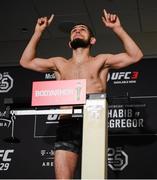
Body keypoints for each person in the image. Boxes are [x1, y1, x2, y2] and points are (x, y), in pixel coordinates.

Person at [19, 9, 143, 179]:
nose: (77, 30)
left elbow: (135, 55)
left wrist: (117, 28)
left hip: (94, 122)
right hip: (67, 124)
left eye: (82, 29)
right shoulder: (59, 64)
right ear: (70, 43)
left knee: (93, 176)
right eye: (74, 30)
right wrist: (38, 32)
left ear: (92, 40)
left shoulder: (101, 60)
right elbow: (26, 61)